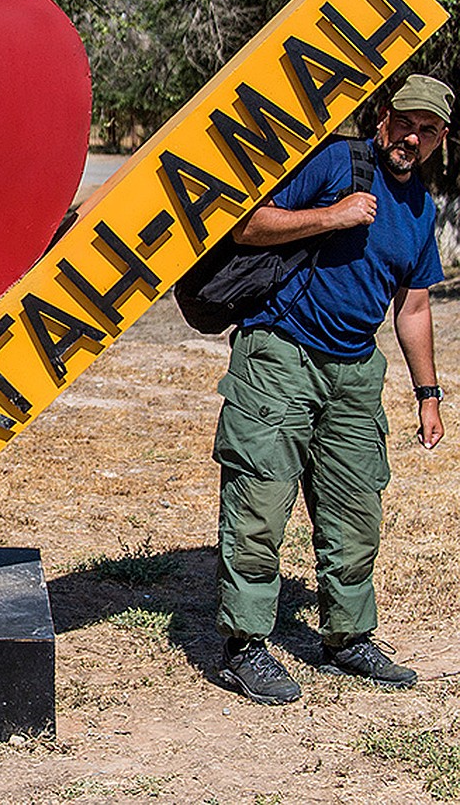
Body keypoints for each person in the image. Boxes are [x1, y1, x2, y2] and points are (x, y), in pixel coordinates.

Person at [213, 74, 451, 705]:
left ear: (439, 140)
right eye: (406, 122)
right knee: (259, 499)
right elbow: (247, 226)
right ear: (384, 116)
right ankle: (246, 647)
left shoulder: (422, 207)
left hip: (355, 370)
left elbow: (415, 305)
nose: (412, 138)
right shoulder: (334, 161)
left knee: (356, 509)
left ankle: (347, 638)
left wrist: (429, 395)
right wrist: (333, 215)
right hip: (281, 351)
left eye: (428, 130)